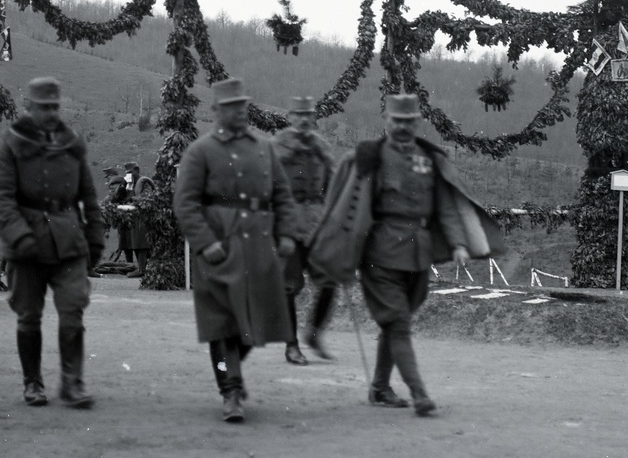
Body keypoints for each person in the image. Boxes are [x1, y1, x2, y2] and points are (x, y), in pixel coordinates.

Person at [312, 94, 501, 417]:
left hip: (418, 255)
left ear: (417, 123)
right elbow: (350, 208)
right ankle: (419, 394)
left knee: (396, 321)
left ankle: (380, 388)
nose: (401, 126)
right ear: (386, 120)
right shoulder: (372, 158)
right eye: (396, 120)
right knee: (397, 322)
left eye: (408, 121)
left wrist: (457, 244)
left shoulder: (428, 159)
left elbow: (445, 207)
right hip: (380, 255)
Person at [172, 77, 303, 423]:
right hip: (219, 247)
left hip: (260, 247)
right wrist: (205, 243)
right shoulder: (201, 151)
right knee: (222, 325)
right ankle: (229, 388)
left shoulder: (264, 147)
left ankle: (231, 374)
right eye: (232, 107)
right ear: (216, 111)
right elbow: (185, 203)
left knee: (253, 323)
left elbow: (283, 196)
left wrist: (288, 233)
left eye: (244, 106)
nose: (240, 112)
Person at [0, 78, 104, 408]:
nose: (51, 113)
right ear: (29, 107)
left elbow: (89, 198)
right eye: (44, 107)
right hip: (26, 244)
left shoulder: (72, 144)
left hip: (69, 241)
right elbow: (0, 198)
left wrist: (94, 240)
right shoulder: (11, 146)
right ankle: (33, 382)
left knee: (73, 312)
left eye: (55, 107)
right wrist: (19, 236)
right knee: (28, 316)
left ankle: (72, 383)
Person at [272, 96, 337, 365]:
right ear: (289, 117)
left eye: (308, 115)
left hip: (316, 223)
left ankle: (313, 332)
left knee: (330, 279)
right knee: (289, 287)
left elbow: (333, 185)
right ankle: (291, 345)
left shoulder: (321, 148)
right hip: (286, 223)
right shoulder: (277, 147)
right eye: (299, 115)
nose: (304, 120)